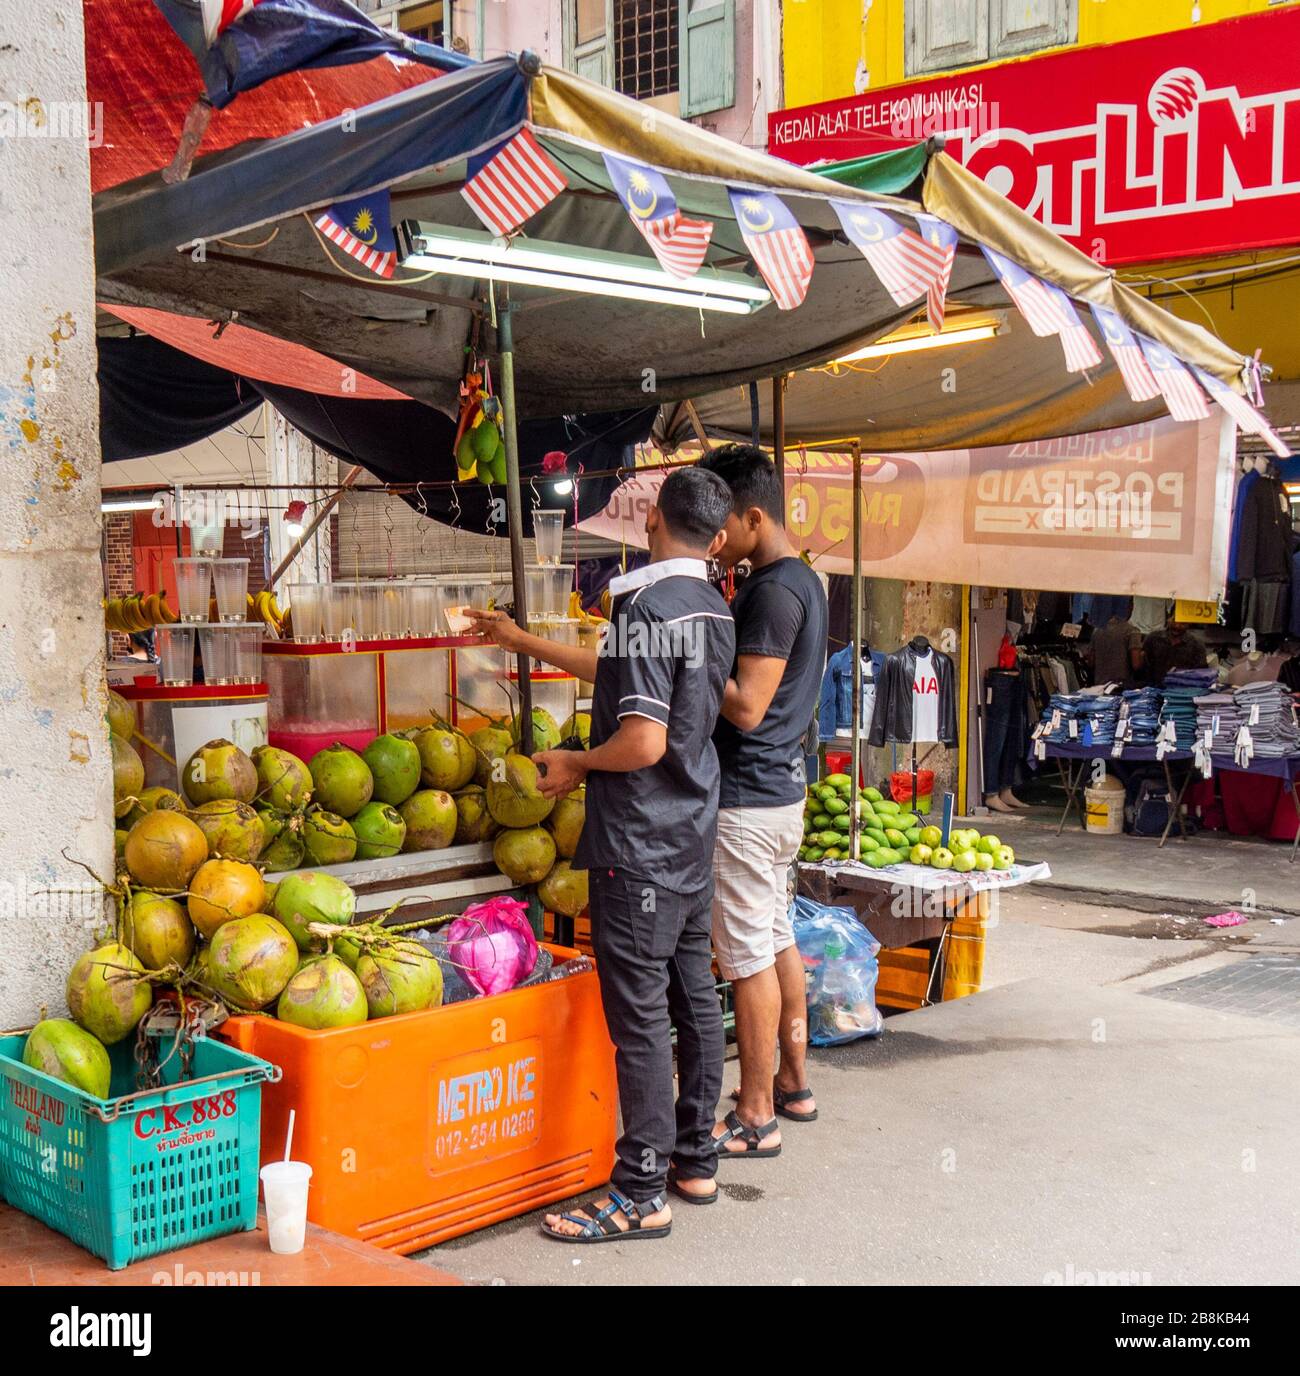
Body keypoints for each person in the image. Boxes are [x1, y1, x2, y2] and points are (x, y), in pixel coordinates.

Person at [466, 466, 736, 1240]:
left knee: (644, 1020)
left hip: (642, 844)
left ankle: (640, 1190)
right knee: (691, 1001)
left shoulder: (648, 605)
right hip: (689, 838)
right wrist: (523, 641)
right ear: (717, 539)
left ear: (651, 516)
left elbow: (643, 738)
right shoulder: (711, 609)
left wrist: (578, 763)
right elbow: (626, 679)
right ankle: (695, 1160)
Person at [695, 444, 828, 1160]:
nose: (715, 535)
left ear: (754, 515)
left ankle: (753, 1115)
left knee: (746, 956)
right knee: (773, 940)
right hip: (778, 794)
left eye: (724, 520)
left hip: (748, 800)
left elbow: (746, 706)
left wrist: (687, 660)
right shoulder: (797, 579)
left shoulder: (775, 591)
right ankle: (792, 1083)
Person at [1085, 599, 1144, 689]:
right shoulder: (1132, 631)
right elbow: (1136, 664)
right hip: (1121, 688)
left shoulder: (1097, 630)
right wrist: (1143, 656)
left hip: (1099, 687)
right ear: (1130, 607)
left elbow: (1091, 662)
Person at [1143, 615, 1208, 685]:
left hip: (1183, 690)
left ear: (1189, 623)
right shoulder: (1153, 638)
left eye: (1182, 623)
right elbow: (1143, 666)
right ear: (1168, 619)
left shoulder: (1196, 645)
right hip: (1152, 689)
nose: (1177, 626)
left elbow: (1201, 673)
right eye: (1174, 621)